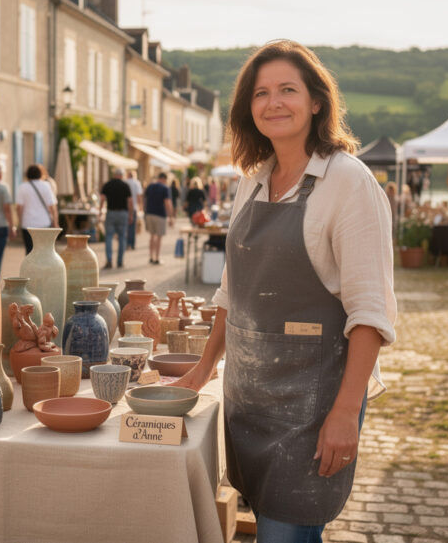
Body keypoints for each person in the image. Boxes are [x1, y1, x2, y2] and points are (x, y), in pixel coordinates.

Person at [172, 40, 395, 541]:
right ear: (248, 109)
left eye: (288, 90)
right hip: (250, 398)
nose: (274, 102)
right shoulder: (252, 180)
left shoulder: (348, 183)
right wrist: (203, 367)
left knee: (286, 536)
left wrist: (345, 413)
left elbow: (371, 312)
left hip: (316, 401)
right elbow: (235, 291)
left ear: (316, 101)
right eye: (261, 93)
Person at [15, 164, 58, 254]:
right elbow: (53, 207)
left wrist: (20, 222)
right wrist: (55, 223)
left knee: (29, 251)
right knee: (44, 251)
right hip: (44, 223)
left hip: (27, 224)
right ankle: (43, 268)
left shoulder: (22, 187)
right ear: (40, 174)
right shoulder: (46, 186)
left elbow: (19, 208)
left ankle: (30, 268)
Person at [99, 167, 133, 269]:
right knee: (122, 237)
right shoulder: (125, 185)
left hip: (111, 213)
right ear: (122, 175)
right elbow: (130, 202)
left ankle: (109, 261)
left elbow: (102, 199)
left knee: (109, 237)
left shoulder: (108, 184)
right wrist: (131, 214)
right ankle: (120, 261)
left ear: (114, 175)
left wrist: (100, 211)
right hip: (123, 213)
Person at [143, 172, 175, 265]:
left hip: (149, 213)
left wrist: (145, 210)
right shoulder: (165, 188)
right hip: (160, 215)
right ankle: (157, 258)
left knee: (152, 236)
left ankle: (151, 257)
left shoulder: (150, 186)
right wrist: (171, 217)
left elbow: (145, 199)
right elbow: (167, 203)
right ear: (164, 179)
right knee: (159, 237)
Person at [124, 170, 143, 250]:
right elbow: (138, 196)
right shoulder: (137, 183)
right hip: (134, 207)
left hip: (125, 208)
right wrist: (140, 206)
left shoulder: (125, 182)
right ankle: (132, 244)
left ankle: (126, 244)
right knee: (133, 226)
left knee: (126, 227)